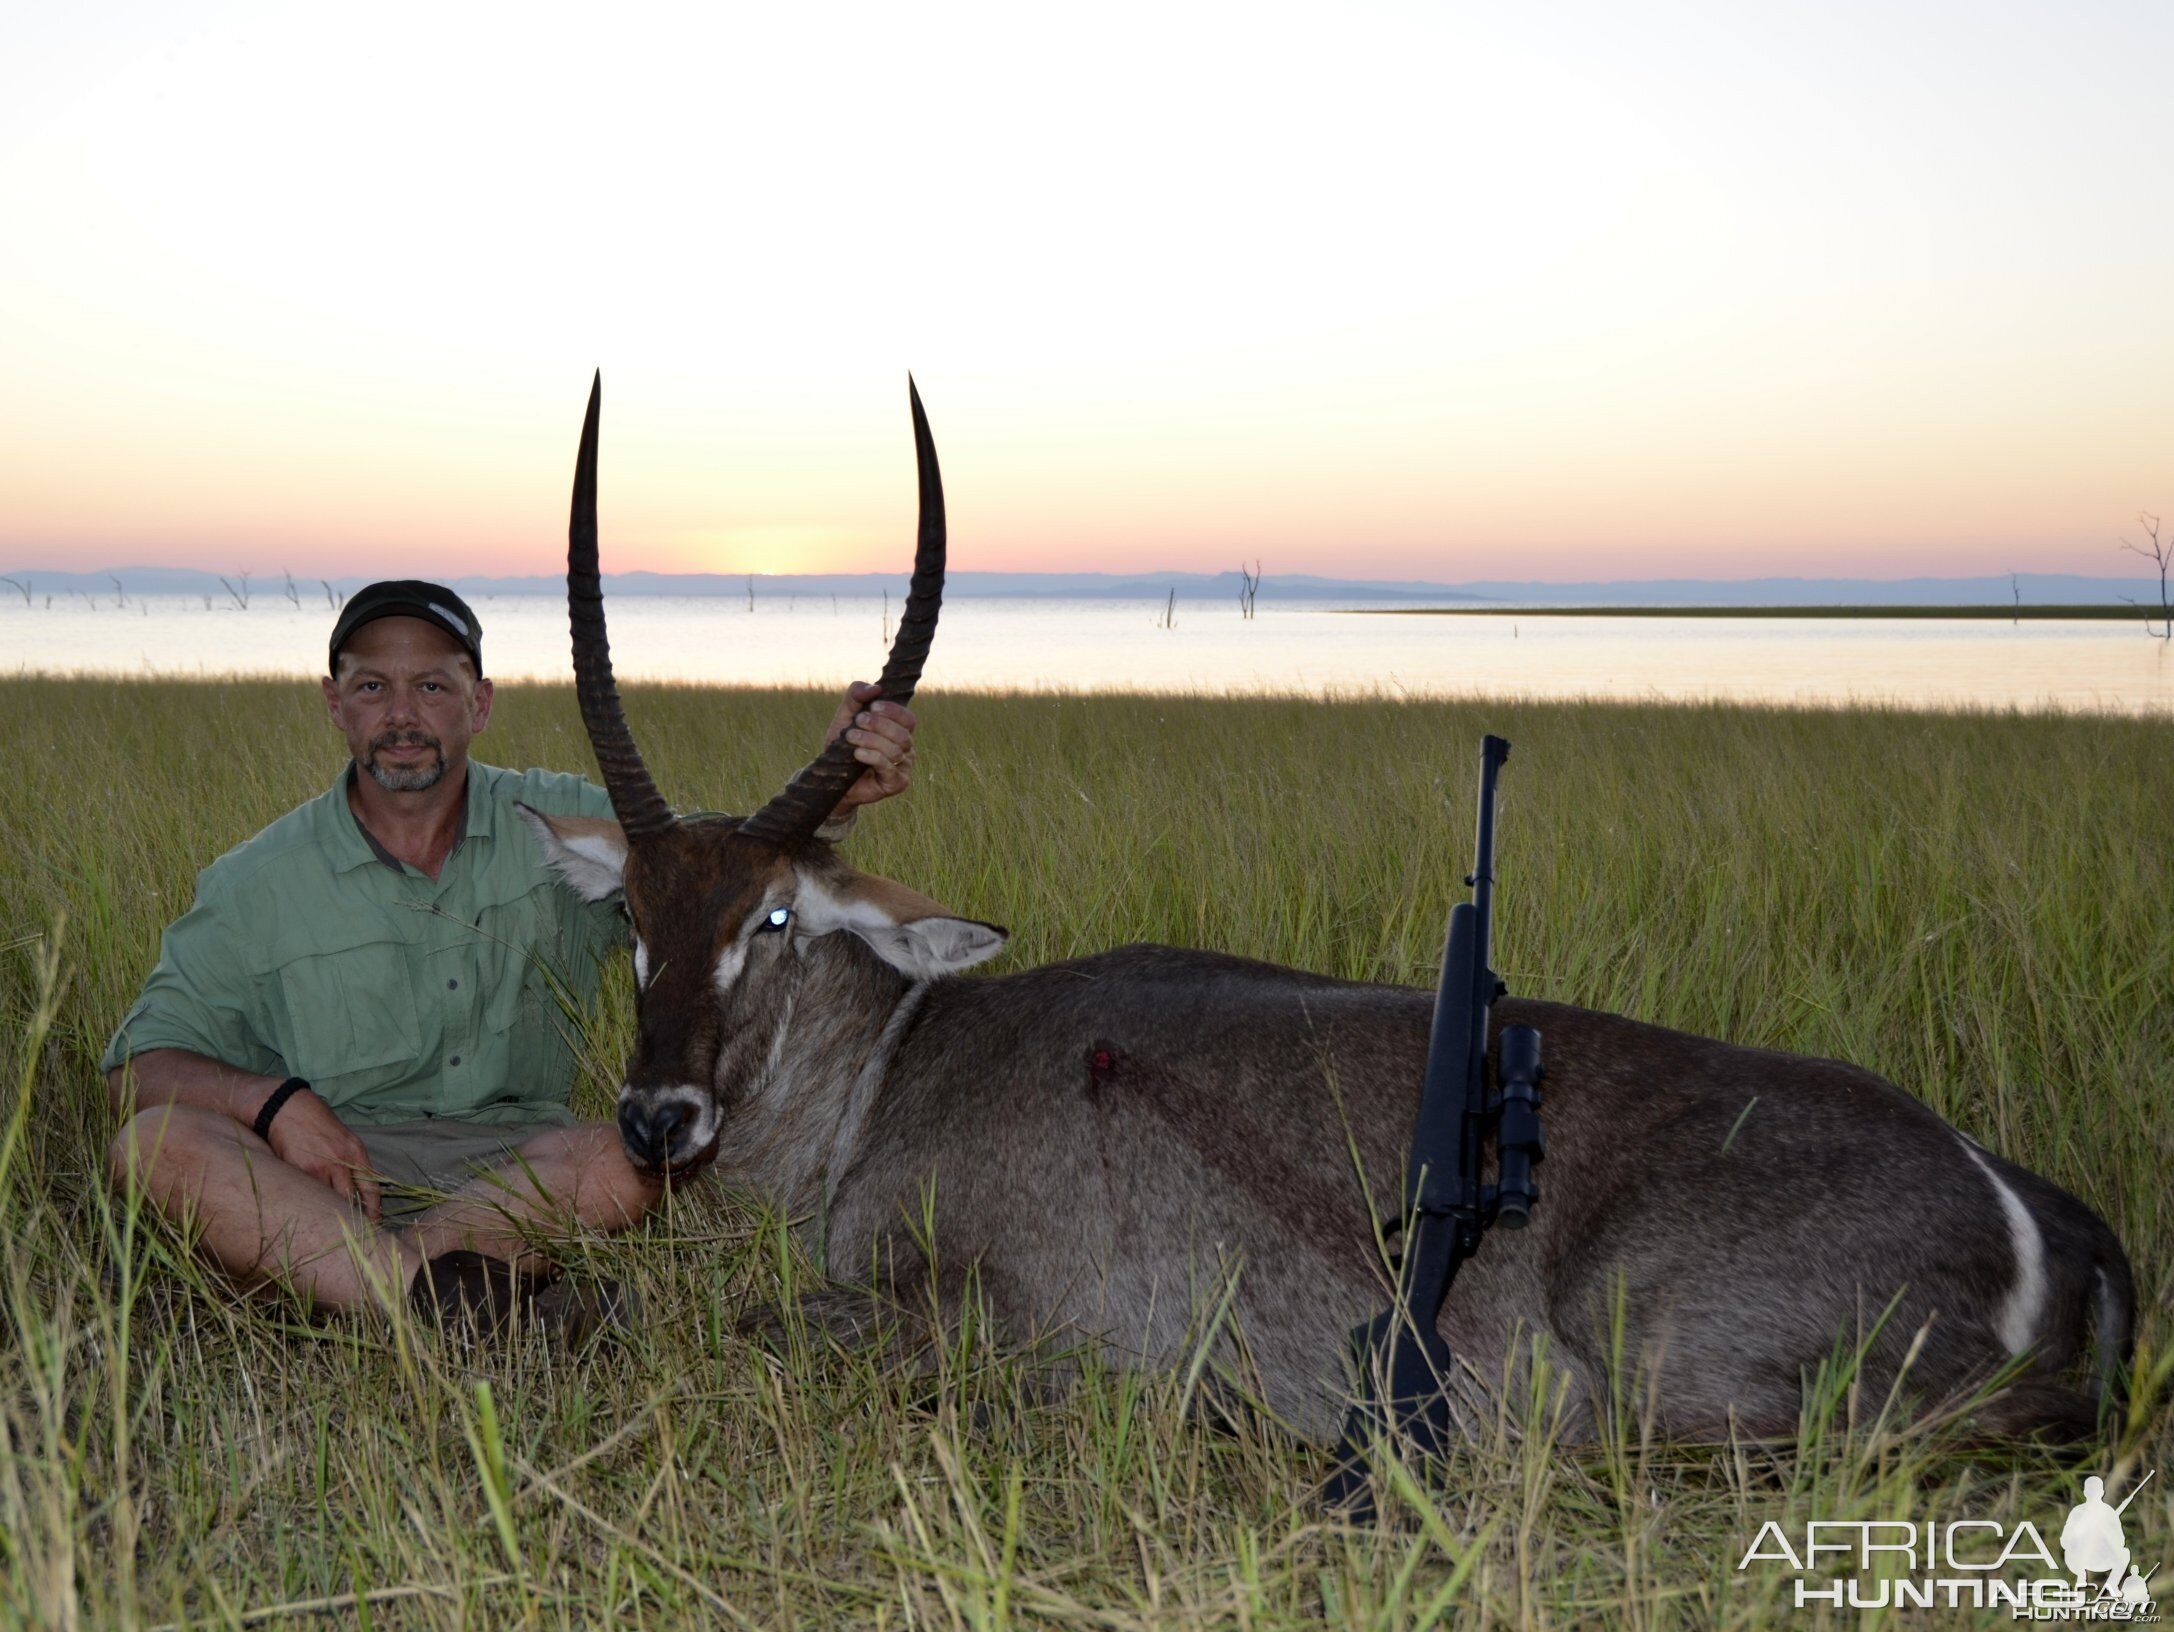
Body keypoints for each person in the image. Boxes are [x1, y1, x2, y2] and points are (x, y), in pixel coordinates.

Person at [103, 580, 917, 1336]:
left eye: (432, 686)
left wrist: (835, 794)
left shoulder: (555, 818)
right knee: (153, 1143)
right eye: (371, 687)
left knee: (634, 1159)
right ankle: (442, 1300)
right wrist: (277, 1106)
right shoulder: (257, 880)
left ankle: (366, 1296)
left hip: (522, 1169)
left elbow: (712, 865)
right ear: (334, 704)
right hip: (325, 1175)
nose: (402, 714)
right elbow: (135, 1070)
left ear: (479, 703)